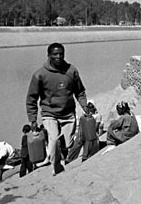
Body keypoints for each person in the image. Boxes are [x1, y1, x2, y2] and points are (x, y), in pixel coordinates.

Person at [26, 42, 92, 175]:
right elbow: (31, 99)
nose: (58, 56)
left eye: (61, 54)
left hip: (68, 114)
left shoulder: (71, 71)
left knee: (67, 144)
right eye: (55, 54)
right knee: (54, 138)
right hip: (49, 113)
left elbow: (79, 92)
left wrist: (84, 106)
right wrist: (33, 119)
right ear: (49, 55)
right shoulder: (40, 74)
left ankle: (57, 154)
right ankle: (56, 166)